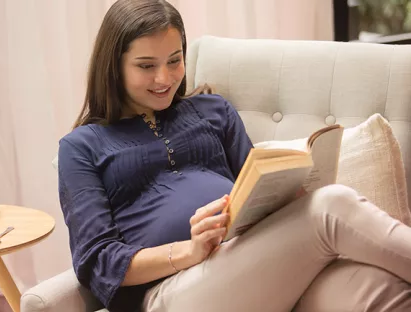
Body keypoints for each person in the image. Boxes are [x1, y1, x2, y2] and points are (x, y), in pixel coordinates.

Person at [57, 0, 411, 311]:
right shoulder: (82, 147)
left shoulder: (213, 111)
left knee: (380, 290)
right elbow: (97, 262)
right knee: (331, 206)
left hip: (256, 261)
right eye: (146, 66)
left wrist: (292, 196)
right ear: (114, 67)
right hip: (173, 292)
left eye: (175, 60)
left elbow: (258, 187)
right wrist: (188, 250)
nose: (164, 77)